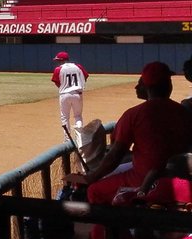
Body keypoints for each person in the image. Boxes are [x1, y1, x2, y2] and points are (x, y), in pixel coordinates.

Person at [65, 62, 192, 204]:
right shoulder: (183, 112)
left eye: (140, 83)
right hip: (179, 176)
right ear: (169, 86)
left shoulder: (134, 114)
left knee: (94, 190)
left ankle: (114, 225)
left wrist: (90, 178)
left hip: (144, 179)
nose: (136, 87)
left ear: (146, 86)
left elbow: (114, 157)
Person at [52, 50, 89, 136]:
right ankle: (80, 139)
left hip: (64, 95)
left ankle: (67, 140)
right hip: (77, 94)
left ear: (61, 60)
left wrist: (65, 87)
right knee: (78, 116)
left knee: (65, 118)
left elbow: (57, 82)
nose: (57, 62)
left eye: (58, 60)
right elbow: (85, 76)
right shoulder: (78, 66)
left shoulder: (58, 69)